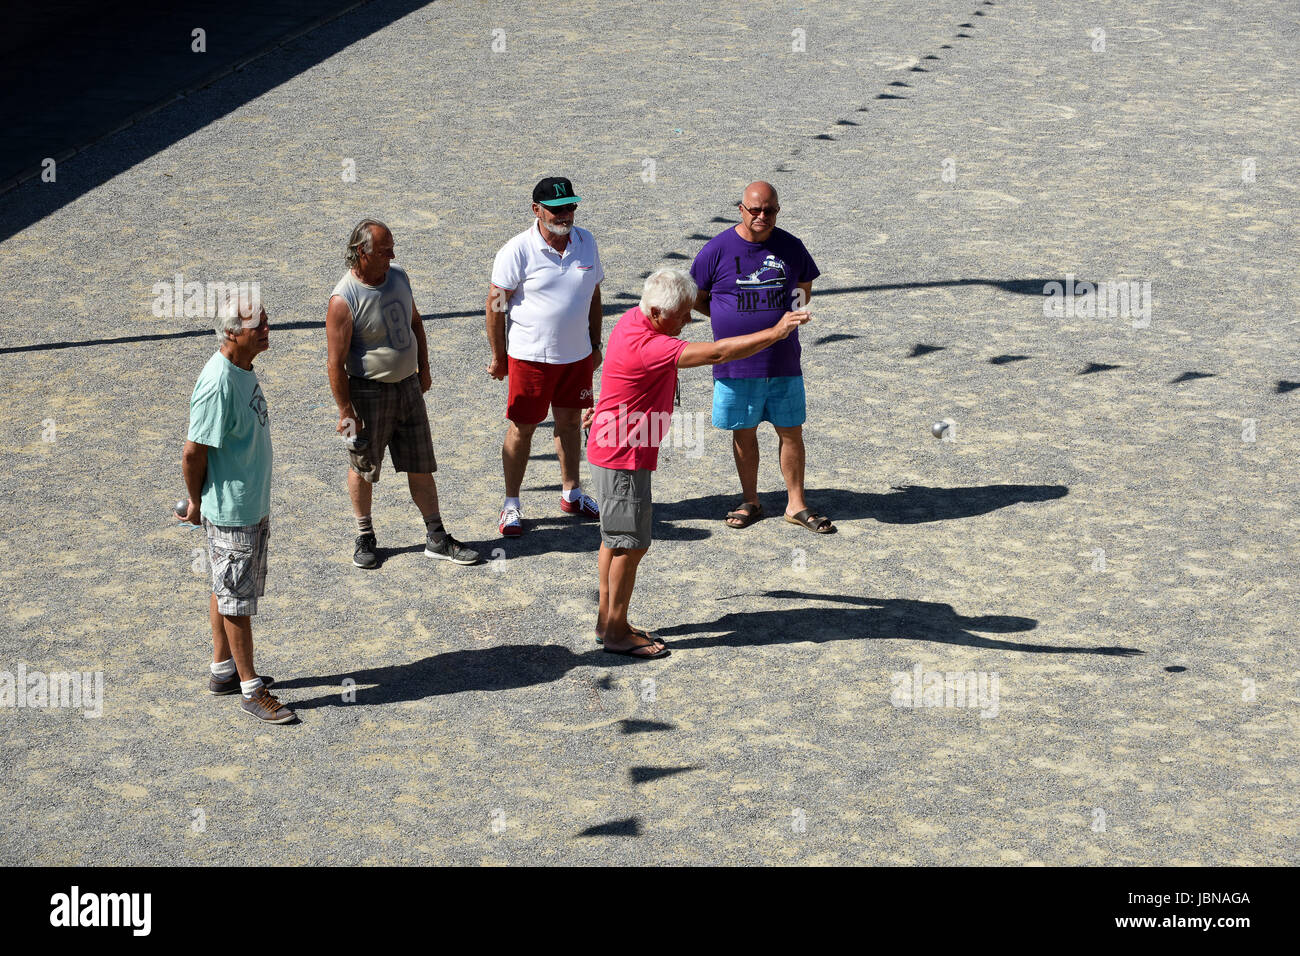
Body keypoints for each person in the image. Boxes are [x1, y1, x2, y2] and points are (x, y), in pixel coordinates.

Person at [587, 268, 810, 658]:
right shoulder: (651, 345)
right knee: (630, 546)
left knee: (615, 540)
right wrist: (775, 333)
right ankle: (617, 634)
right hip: (624, 456)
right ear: (657, 312)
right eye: (683, 314)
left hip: (611, 449)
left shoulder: (632, 320)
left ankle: (609, 621)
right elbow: (719, 352)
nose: (690, 320)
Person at [327, 218, 479, 569]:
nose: (392, 256)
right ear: (360, 253)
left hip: (408, 388)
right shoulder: (343, 300)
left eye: (392, 248)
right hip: (366, 394)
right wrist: (345, 409)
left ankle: (437, 536)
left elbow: (415, 323)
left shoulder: (399, 275)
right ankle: (364, 535)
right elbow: (334, 364)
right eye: (384, 251)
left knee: (420, 462)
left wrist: (423, 368)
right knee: (363, 465)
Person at [690, 181, 834, 533]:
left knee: (791, 433)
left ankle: (796, 503)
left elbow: (804, 286)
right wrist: (725, 316)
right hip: (735, 364)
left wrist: (795, 313)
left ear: (778, 210)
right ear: (741, 208)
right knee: (743, 432)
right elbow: (695, 295)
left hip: (783, 360)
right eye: (754, 209)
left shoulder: (791, 246)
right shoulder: (716, 249)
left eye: (768, 210)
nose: (761, 216)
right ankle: (750, 500)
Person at [178, 292, 295, 724]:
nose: (267, 330)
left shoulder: (242, 368)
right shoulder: (217, 383)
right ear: (231, 333)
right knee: (236, 600)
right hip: (231, 512)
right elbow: (193, 453)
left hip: (247, 506)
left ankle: (222, 670)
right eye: (257, 326)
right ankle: (250, 689)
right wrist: (196, 501)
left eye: (266, 321)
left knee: (224, 585)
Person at [486, 177, 604, 537]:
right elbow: (495, 305)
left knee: (570, 424)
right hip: (530, 358)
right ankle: (511, 504)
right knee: (524, 428)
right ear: (536, 210)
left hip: (577, 357)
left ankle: (571, 492)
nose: (565, 215)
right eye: (557, 209)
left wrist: (596, 344)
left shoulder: (587, 243)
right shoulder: (517, 250)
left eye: (570, 207)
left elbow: (594, 295)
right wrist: (498, 356)